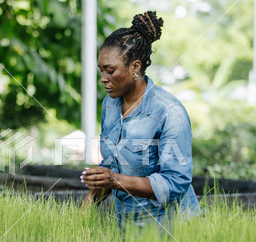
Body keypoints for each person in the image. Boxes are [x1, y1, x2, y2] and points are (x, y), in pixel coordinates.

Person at [81, 11, 201, 227]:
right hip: (126, 226)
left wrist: (113, 180)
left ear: (135, 67)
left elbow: (176, 182)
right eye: (101, 71)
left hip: (169, 229)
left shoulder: (169, 112)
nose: (103, 79)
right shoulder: (110, 105)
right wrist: (85, 209)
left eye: (110, 70)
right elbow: (112, 163)